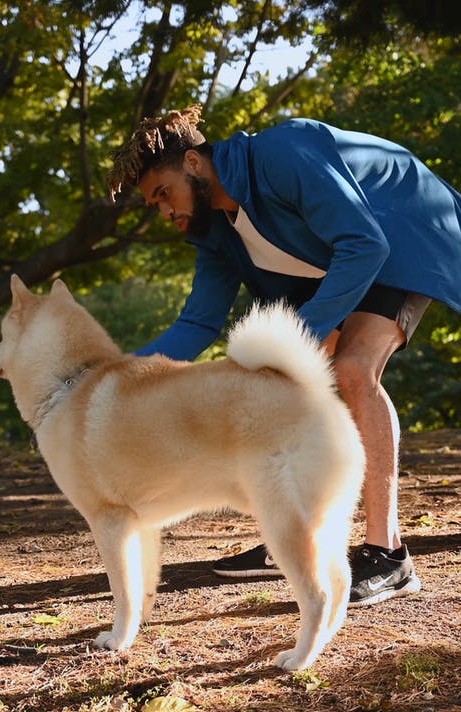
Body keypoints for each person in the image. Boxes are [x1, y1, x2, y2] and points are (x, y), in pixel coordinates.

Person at [107, 105, 461, 606]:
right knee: (275, 384)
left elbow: (364, 244)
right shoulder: (216, 231)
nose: (164, 211)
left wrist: (300, 337)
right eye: (153, 205)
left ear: (192, 162)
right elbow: (199, 323)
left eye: (163, 193)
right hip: (348, 257)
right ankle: (300, 535)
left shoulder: (281, 153)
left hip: (404, 232)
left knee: (352, 367)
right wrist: (115, 378)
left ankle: (389, 557)